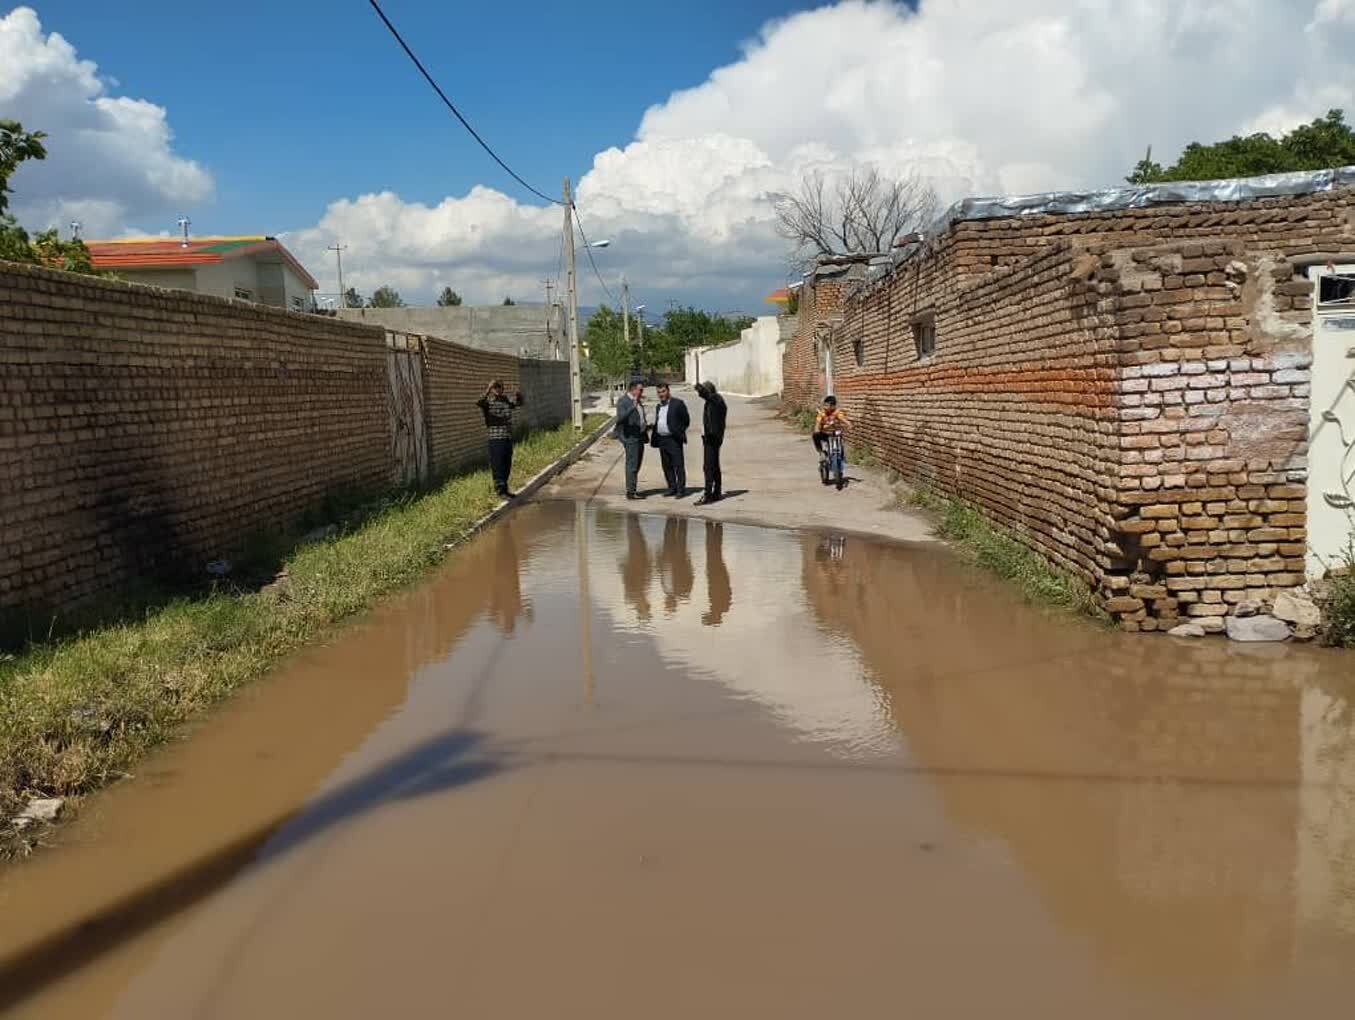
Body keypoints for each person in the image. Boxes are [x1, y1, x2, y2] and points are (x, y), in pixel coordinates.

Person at [476, 379, 524, 498]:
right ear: (493, 389)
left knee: (506, 464)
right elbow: (479, 402)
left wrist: (518, 394)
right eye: (496, 387)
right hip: (495, 439)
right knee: (498, 465)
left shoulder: (505, 401)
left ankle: (505, 489)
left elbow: (518, 404)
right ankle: (500, 491)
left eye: (500, 387)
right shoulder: (488, 403)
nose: (498, 389)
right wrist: (488, 389)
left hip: (507, 437)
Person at [650, 382, 691, 497]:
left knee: (678, 465)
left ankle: (681, 490)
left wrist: (678, 431)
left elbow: (686, 420)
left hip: (674, 439)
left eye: (663, 391)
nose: (661, 394)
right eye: (659, 392)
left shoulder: (678, 403)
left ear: (668, 391)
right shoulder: (659, 406)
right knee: (666, 465)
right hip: (662, 439)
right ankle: (672, 487)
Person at [693, 381, 727, 505]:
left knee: (708, 467)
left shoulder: (716, 400)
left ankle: (708, 494)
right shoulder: (712, 401)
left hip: (713, 438)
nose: (700, 394)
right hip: (711, 437)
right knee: (714, 466)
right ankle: (716, 492)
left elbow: (707, 395)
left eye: (703, 391)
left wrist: (699, 388)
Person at [615, 380, 649, 500]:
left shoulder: (637, 401)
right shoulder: (623, 401)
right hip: (630, 438)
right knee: (632, 465)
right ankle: (631, 492)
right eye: (640, 390)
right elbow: (620, 419)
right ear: (633, 389)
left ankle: (632, 487)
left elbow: (639, 418)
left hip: (639, 436)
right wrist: (631, 407)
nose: (641, 392)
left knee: (637, 464)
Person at [812, 394, 850, 459]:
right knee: (815, 435)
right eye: (824, 405)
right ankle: (821, 452)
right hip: (824, 434)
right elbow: (817, 423)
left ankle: (841, 456)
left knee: (840, 441)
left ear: (833, 406)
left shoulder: (837, 413)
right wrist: (817, 430)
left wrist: (848, 425)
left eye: (827, 405)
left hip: (834, 433)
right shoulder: (822, 414)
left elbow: (843, 420)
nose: (825, 407)